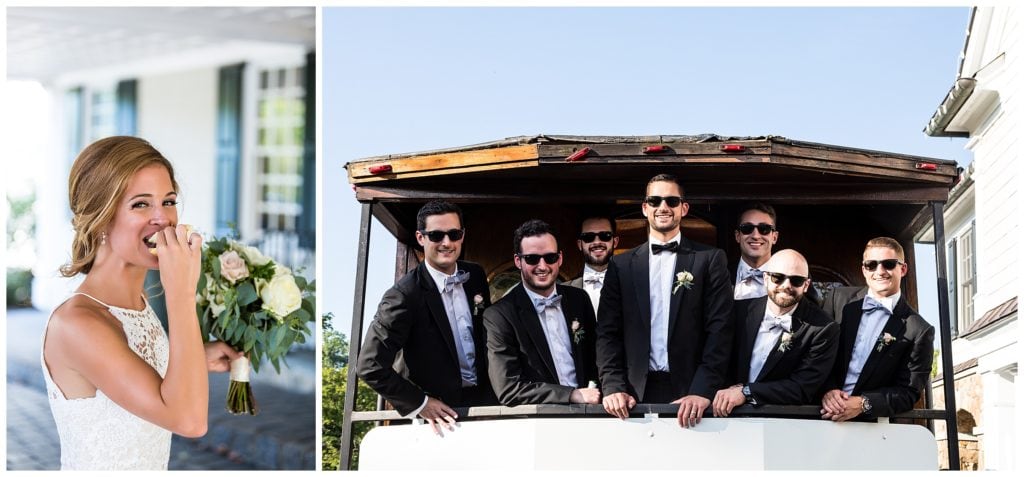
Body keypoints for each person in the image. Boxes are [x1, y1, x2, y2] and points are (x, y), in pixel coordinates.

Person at [42, 136, 242, 470]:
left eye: (169, 201)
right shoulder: (77, 323)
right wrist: (180, 292)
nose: (162, 219)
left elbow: (131, 377)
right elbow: (190, 422)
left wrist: (195, 356)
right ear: (101, 217)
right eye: (140, 204)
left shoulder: (136, 302)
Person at [597, 173, 734, 428]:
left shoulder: (710, 259)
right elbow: (607, 333)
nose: (663, 207)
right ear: (644, 207)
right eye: (655, 200)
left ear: (684, 208)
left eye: (671, 201)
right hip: (632, 394)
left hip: (691, 393)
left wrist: (702, 390)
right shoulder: (620, 264)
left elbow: (720, 331)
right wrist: (614, 387)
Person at [357, 200, 496, 435]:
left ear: (463, 236)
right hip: (436, 420)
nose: (446, 243)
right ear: (421, 238)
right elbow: (369, 365)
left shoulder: (475, 275)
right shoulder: (403, 295)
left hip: (485, 406)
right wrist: (420, 403)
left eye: (454, 234)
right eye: (436, 235)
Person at [484, 220, 600, 406]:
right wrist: (571, 395)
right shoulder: (499, 315)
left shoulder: (579, 299)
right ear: (518, 261)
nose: (542, 266)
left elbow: (597, 358)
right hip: (538, 422)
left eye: (550, 258)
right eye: (532, 259)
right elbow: (508, 389)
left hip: (591, 413)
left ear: (560, 258)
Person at [820, 237, 935, 421]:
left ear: (903, 269)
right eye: (872, 265)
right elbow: (817, 354)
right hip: (816, 414)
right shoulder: (838, 300)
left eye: (888, 264)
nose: (880, 271)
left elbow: (907, 393)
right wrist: (829, 391)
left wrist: (863, 403)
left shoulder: (919, 330)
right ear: (864, 270)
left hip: (870, 427)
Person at [713, 250, 839, 417]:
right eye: (778, 277)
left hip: (784, 422)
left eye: (796, 280)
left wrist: (747, 392)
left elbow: (802, 388)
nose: (786, 285)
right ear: (765, 278)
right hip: (728, 416)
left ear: (806, 285)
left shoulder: (823, 328)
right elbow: (718, 361)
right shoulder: (739, 312)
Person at [566, 213, 619, 314]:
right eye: (588, 237)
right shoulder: (564, 291)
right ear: (580, 244)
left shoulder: (630, 285)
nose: (597, 242)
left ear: (615, 242)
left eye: (605, 236)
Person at [732, 203, 779, 300]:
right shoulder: (720, 274)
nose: (755, 236)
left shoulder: (793, 275)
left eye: (764, 229)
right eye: (747, 228)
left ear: (774, 237)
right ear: (737, 236)